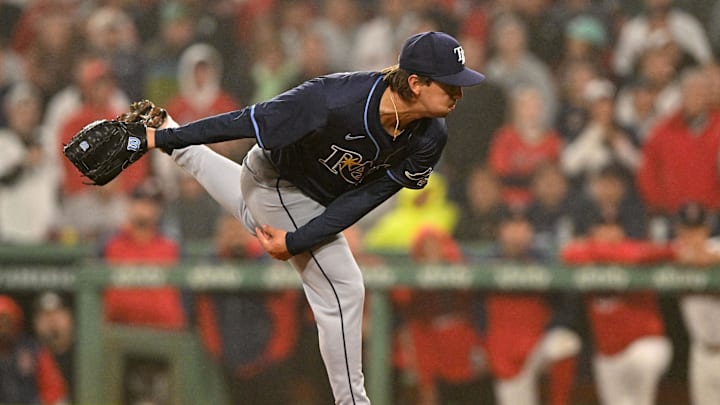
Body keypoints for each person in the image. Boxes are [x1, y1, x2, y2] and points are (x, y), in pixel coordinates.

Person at [143, 31, 486, 404]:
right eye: (451, 85)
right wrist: (155, 143)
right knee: (345, 288)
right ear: (416, 83)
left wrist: (297, 240)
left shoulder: (430, 136)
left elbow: (365, 198)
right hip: (277, 180)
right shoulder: (335, 98)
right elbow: (246, 121)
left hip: (307, 199)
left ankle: (167, 129)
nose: (459, 94)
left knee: (259, 216)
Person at [671, 201, 720, 405]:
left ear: (707, 229)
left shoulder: (717, 245)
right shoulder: (673, 253)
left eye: (697, 230)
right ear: (678, 230)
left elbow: (708, 255)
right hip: (701, 353)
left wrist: (705, 258)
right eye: (687, 230)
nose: (692, 237)